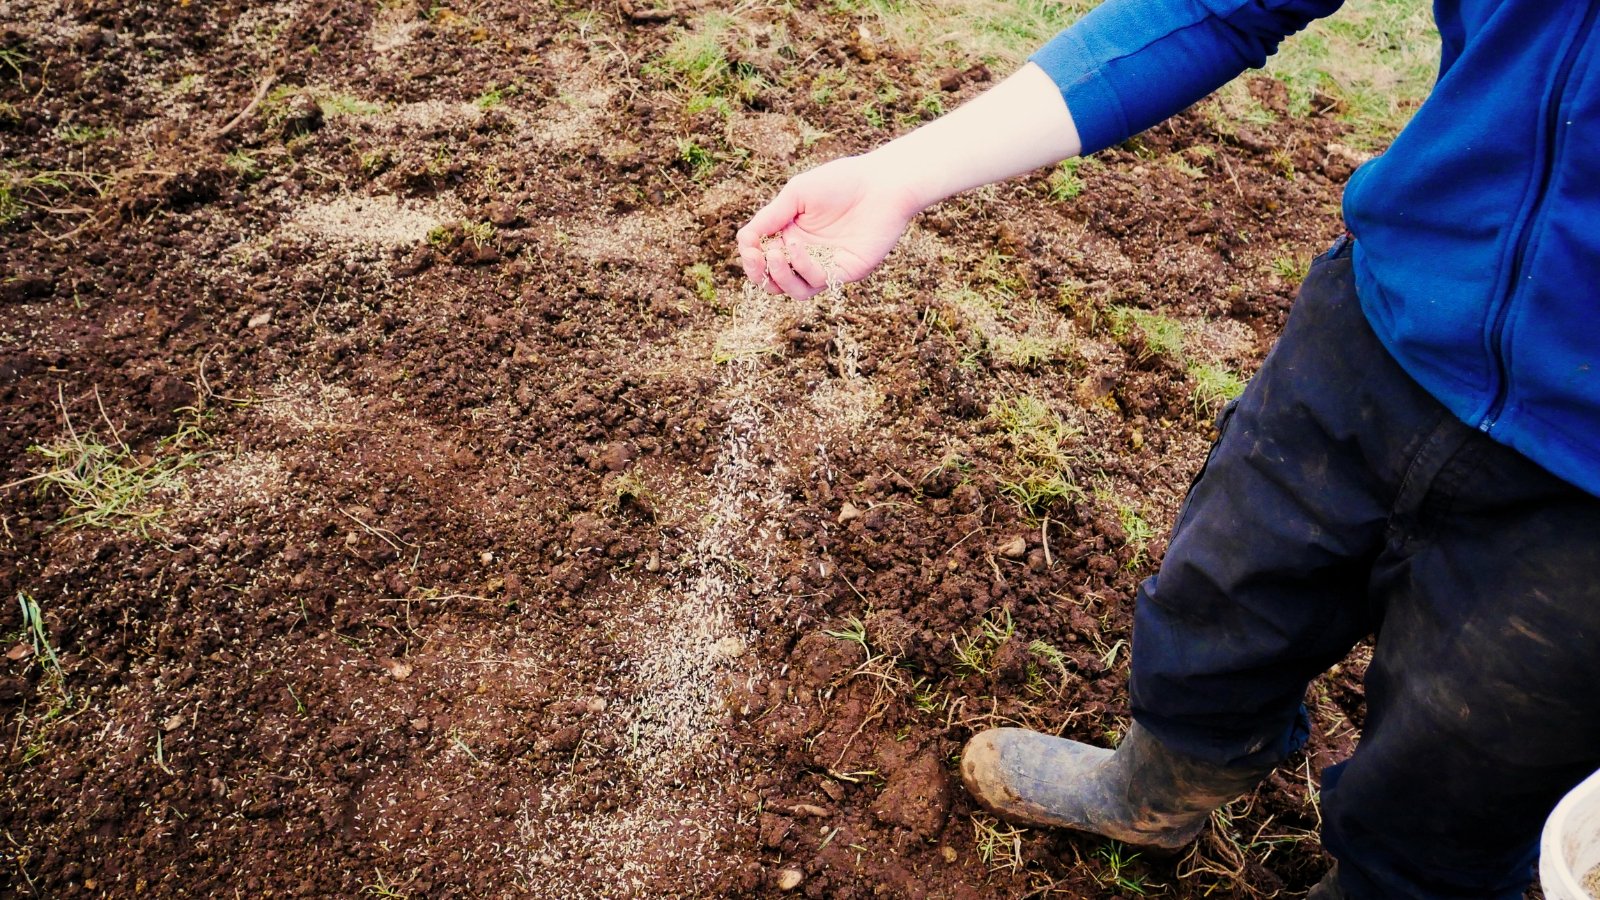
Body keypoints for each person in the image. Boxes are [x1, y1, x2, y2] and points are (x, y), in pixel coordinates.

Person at [735, 2, 1600, 897]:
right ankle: (1154, 791)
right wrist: (902, 174)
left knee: (1467, 775)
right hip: (1387, 316)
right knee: (1224, 592)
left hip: (1586, 486)